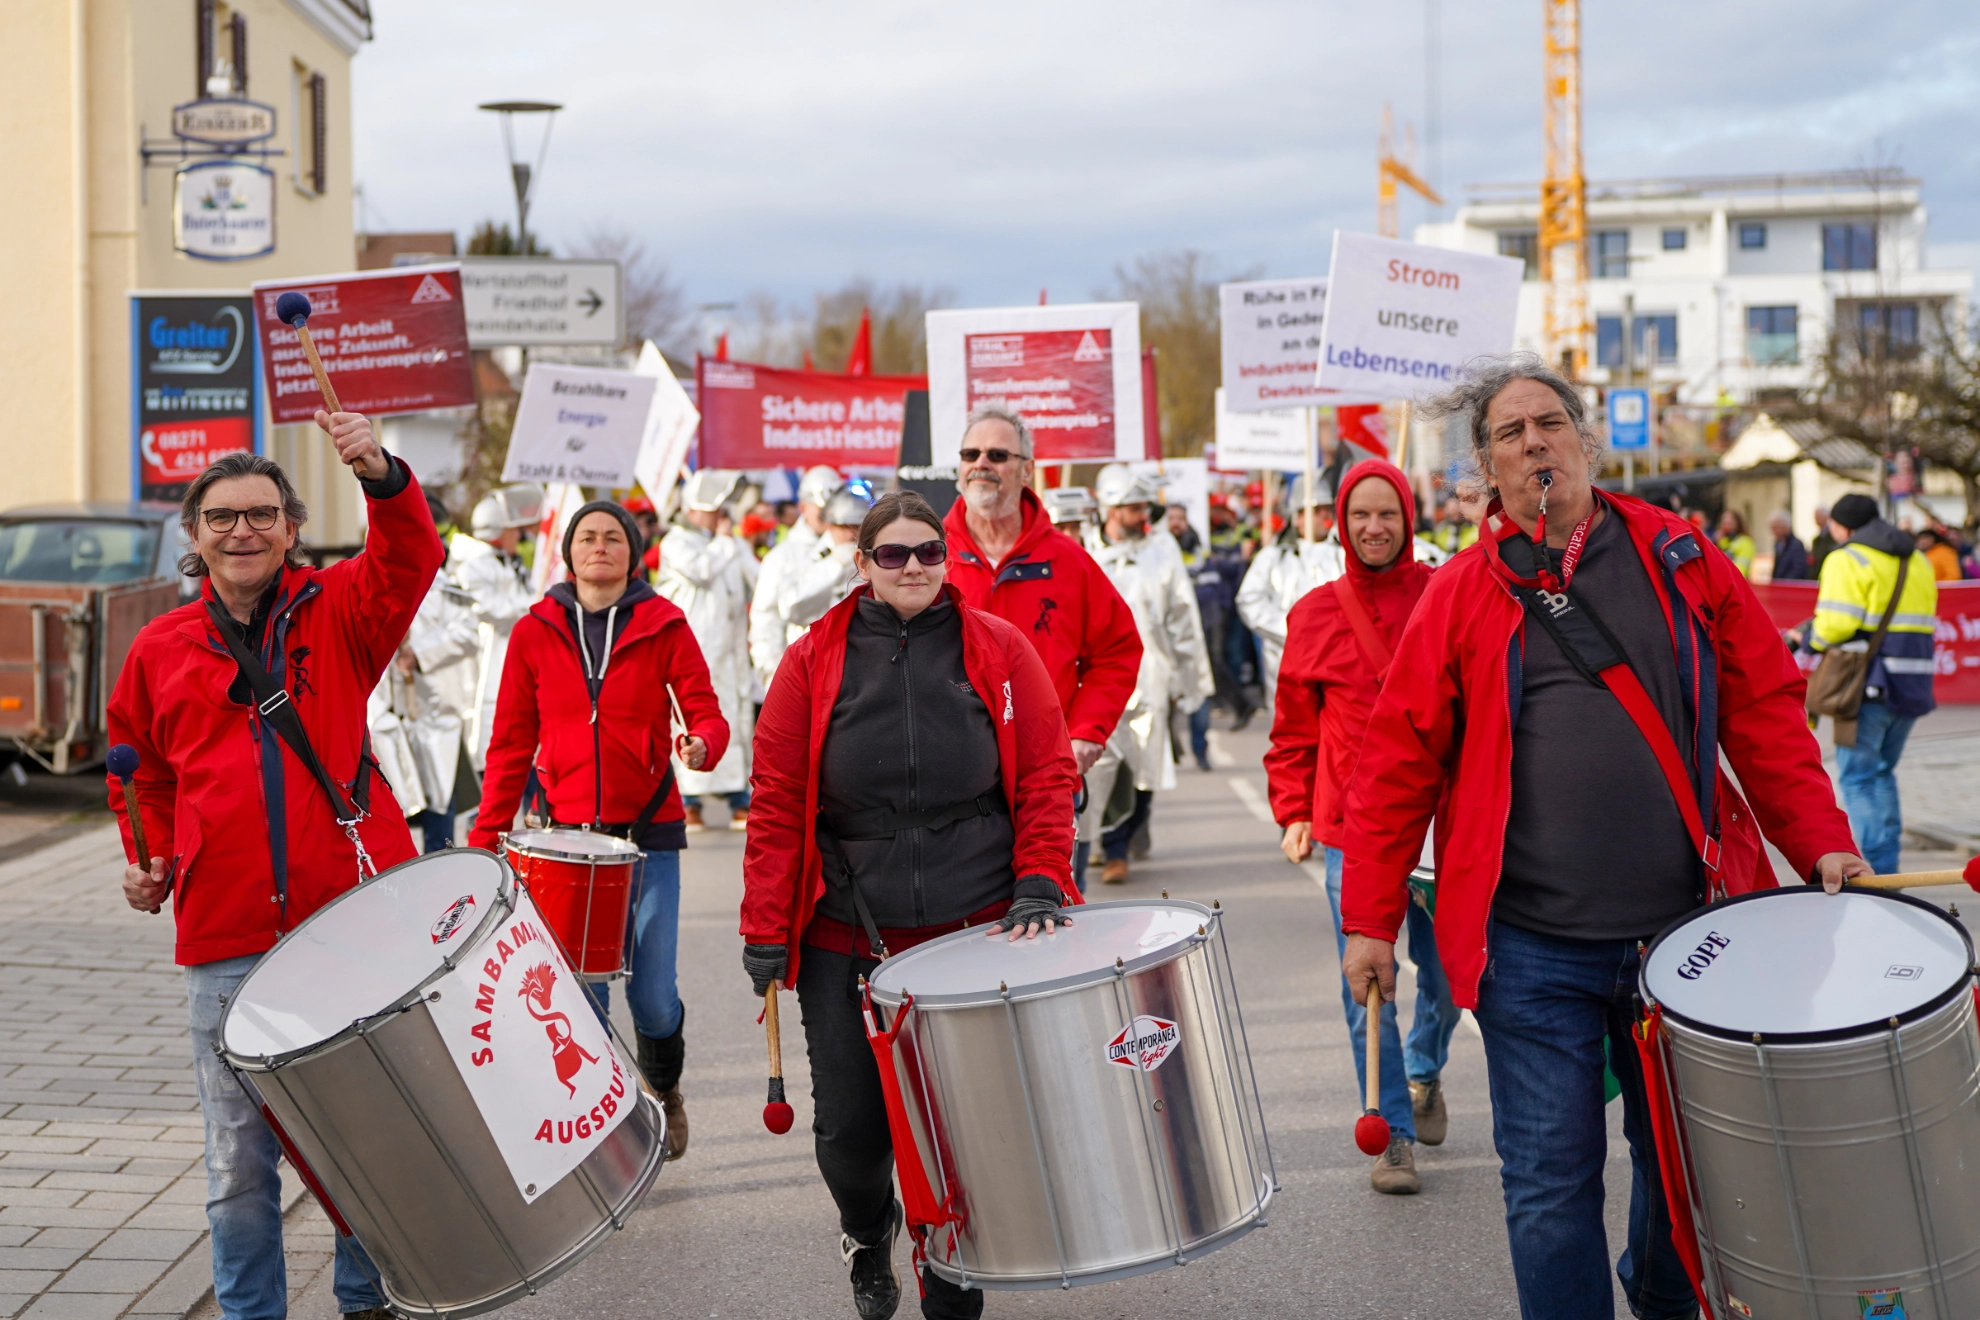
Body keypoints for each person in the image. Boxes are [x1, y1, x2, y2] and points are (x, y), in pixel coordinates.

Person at [1337, 354, 1865, 1320]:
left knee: (1686, 1187)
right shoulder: (1459, 594)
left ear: (1586, 440)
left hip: (1691, 939)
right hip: (1530, 950)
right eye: (1508, 433)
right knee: (1548, 1186)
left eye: (1550, 424)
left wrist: (1820, 838)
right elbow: (1395, 766)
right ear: (1485, 471)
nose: (1534, 441)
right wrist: (1369, 917)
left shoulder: (1683, 555)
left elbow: (1765, 715)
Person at [108, 414, 444, 1320]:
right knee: (236, 1164)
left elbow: (411, 560)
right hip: (225, 938)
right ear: (195, 535)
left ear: (292, 529)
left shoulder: (342, 610)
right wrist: (154, 861)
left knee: (362, 1144)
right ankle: (252, 1312)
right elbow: (144, 775)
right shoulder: (158, 648)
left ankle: (366, 1299)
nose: (242, 531)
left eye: (261, 514)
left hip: (348, 922)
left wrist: (380, 472)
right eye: (221, 517)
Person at [740, 490, 1080, 1320]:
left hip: (973, 926)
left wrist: (1041, 875)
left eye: (929, 551)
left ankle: (950, 1276)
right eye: (893, 555)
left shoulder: (999, 648)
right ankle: (867, 1226)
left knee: (961, 1132)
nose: (915, 567)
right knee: (851, 1136)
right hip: (845, 931)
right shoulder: (810, 659)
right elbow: (779, 797)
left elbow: (1046, 770)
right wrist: (762, 926)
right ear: (862, 567)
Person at [470, 499, 729, 1162]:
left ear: (632, 551)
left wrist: (701, 744)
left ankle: (663, 1088)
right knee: (581, 1001)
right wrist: (484, 842)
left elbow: (705, 709)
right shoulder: (534, 630)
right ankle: (609, 1128)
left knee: (654, 997)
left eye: (614, 537)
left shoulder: (664, 623)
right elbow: (509, 744)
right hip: (565, 844)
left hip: (649, 835)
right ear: (569, 550)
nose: (600, 547)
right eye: (588, 536)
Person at [1266, 459, 1457, 1195]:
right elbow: (1292, 731)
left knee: (1450, 982)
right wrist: (1293, 809)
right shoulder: (1313, 613)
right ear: (1339, 524)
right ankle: (1393, 1136)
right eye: (1359, 516)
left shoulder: (1444, 595)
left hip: (1440, 830)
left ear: (1409, 519)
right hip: (1354, 830)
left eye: (1388, 514)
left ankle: (1423, 1070)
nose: (1374, 528)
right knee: (1368, 986)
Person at [941, 405, 1140, 782]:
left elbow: (1118, 651)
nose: (981, 463)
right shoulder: (927, 556)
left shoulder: (1070, 562)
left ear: (1027, 471)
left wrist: (1086, 731)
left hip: (1044, 773)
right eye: (971, 454)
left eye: (997, 455)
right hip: (949, 776)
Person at [1081, 467, 1213, 884]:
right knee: (1101, 761)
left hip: (1150, 673)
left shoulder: (1162, 547)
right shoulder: (1081, 548)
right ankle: (1110, 842)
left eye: (1144, 506)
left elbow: (1182, 615)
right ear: (1111, 508)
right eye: (1133, 507)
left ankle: (1130, 828)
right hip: (1096, 680)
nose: (1143, 515)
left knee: (1145, 763)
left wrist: (1189, 680)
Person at [1811, 493, 1939, 874]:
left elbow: (1836, 623)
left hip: (1868, 683)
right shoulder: (1916, 557)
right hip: (1913, 681)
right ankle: (1888, 867)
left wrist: (1812, 640)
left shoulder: (1847, 557)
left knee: (1858, 778)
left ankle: (1877, 875)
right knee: (1882, 772)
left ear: (1841, 526)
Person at [657, 469, 759, 830]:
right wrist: (726, 542)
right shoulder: (677, 542)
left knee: (734, 718)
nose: (721, 515)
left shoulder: (727, 543)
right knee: (690, 717)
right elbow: (701, 570)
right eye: (715, 508)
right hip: (694, 647)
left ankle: (737, 798)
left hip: (730, 651)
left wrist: (738, 545)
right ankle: (690, 801)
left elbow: (756, 579)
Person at [368, 570, 480, 853]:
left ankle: (441, 886)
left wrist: (419, 652)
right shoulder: (366, 578)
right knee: (385, 824)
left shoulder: (443, 586)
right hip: (380, 722)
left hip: (433, 721)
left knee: (439, 816)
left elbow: (468, 633)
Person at [449, 483, 541, 768]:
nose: (519, 535)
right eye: (514, 529)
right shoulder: (473, 565)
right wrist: (535, 607)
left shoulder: (508, 562)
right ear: (498, 531)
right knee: (492, 743)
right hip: (486, 662)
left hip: (513, 656)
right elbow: (490, 608)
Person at [1236, 473, 1345, 708]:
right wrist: (1290, 630)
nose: (1325, 516)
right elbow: (1249, 599)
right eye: (1316, 510)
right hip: (1286, 666)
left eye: (1328, 509)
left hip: (1339, 665)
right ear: (1297, 517)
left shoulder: (1345, 553)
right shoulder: (1274, 556)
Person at [750, 465, 844, 693]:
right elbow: (766, 618)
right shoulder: (782, 556)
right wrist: (772, 675)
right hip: (801, 677)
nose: (827, 514)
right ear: (803, 506)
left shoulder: (854, 549)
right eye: (820, 508)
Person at [776, 485, 875, 657]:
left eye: (857, 526)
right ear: (830, 526)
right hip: (815, 658)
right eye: (843, 526)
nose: (851, 535)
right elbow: (791, 609)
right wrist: (835, 564)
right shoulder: (809, 556)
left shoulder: (877, 564)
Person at [1767, 509, 1810, 581]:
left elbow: (1798, 569)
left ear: (1786, 526)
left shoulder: (1796, 545)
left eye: (1776, 527)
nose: (1773, 531)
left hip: (1790, 588)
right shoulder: (1778, 544)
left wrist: (1784, 583)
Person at [1715, 508, 1756, 577]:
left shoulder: (1745, 542)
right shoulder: (1723, 543)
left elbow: (1740, 571)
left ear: (1738, 524)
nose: (1726, 526)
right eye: (1724, 523)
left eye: (1729, 523)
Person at [1809, 502, 1840, 574]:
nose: (1816, 520)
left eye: (1819, 517)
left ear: (1827, 517)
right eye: (1815, 517)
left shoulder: (1834, 536)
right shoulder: (1816, 540)